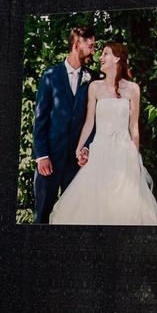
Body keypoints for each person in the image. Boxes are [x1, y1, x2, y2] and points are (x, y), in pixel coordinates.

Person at [48, 42, 157, 225]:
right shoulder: (95, 87)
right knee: (95, 204)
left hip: (123, 153)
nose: (100, 57)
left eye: (105, 54)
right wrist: (79, 148)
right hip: (100, 152)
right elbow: (89, 123)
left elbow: (134, 127)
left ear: (117, 58)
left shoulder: (133, 89)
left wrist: (135, 155)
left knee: (126, 205)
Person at [32, 25, 94, 219]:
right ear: (76, 45)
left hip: (77, 163)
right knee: (42, 214)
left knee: (73, 216)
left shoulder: (93, 79)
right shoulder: (50, 76)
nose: (93, 51)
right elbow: (40, 118)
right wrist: (41, 155)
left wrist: (88, 148)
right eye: (90, 46)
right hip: (50, 158)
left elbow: (94, 120)